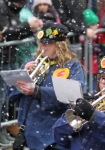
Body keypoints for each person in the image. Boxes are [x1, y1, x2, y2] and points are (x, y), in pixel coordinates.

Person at [6, 21, 85, 150]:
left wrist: (38, 91)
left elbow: (74, 96)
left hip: (54, 134)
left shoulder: (72, 66)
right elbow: (12, 95)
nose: (42, 46)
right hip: (29, 132)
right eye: (40, 42)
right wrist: (21, 74)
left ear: (60, 45)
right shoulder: (31, 62)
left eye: (47, 43)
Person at [0, 0, 43, 146]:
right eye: (19, 4)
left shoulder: (13, 9)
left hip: (9, 57)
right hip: (3, 58)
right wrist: (27, 27)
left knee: (5, 99)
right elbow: (6, 32)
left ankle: (2, 131)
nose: (20, 6)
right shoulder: (2, 7)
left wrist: (32, 29)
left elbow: (12, 33)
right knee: (1, 99)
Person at [82, 9, 100, 93]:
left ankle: (92, 94)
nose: (96, 26)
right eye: (93, 24)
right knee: (86, 82)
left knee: (93, 81)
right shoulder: (84, 37)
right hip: (86, 64)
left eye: (96, 24)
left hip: (93, 64)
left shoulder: (96, 34)